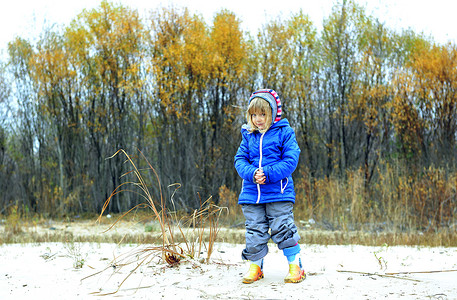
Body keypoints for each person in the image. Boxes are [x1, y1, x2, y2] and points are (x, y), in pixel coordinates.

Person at [234, 89, 305, 284]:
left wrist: (269, 173)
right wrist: (251, 173)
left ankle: (295, 265)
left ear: (273, 114)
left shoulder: (284, 132)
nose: (258, 119)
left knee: (283, 227)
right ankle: (256, 267)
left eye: (263, 114)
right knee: (254, 229)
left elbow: (291, 160)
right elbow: (240, 160)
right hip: (252, 193)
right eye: (254, 114)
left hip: (278, 192)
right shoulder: (248, 135)